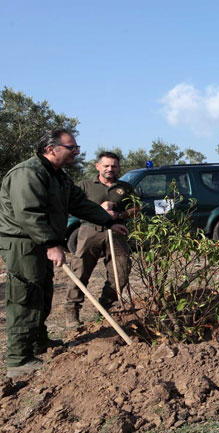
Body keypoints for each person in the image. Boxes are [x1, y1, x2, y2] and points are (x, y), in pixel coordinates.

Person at [0, 130, 128, 378]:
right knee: (25, 294)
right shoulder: (28, 173)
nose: (76, 152)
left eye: (76, 147)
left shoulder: (58, 176)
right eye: (72, 148)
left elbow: (78, 203)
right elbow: (29, 213)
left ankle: (38, 341)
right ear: (51, 149)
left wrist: (107, 221)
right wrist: (51, 244)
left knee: (43, 290)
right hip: (23, 242)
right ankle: (18, 359)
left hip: (38, 241)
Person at [64, 151, 138, 328]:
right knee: (80, 271)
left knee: (120, 273)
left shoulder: (125, 188)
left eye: (113, 166)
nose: (109, 169)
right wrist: (98, 210)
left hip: (117, 232)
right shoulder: (85, 185)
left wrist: (119, 213)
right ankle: (71, 311)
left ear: (119, 167)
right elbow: (71, 208)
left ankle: (105, 306)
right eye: (106, 165)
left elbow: (136, 208)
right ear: (97, 166)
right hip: (90, 231)